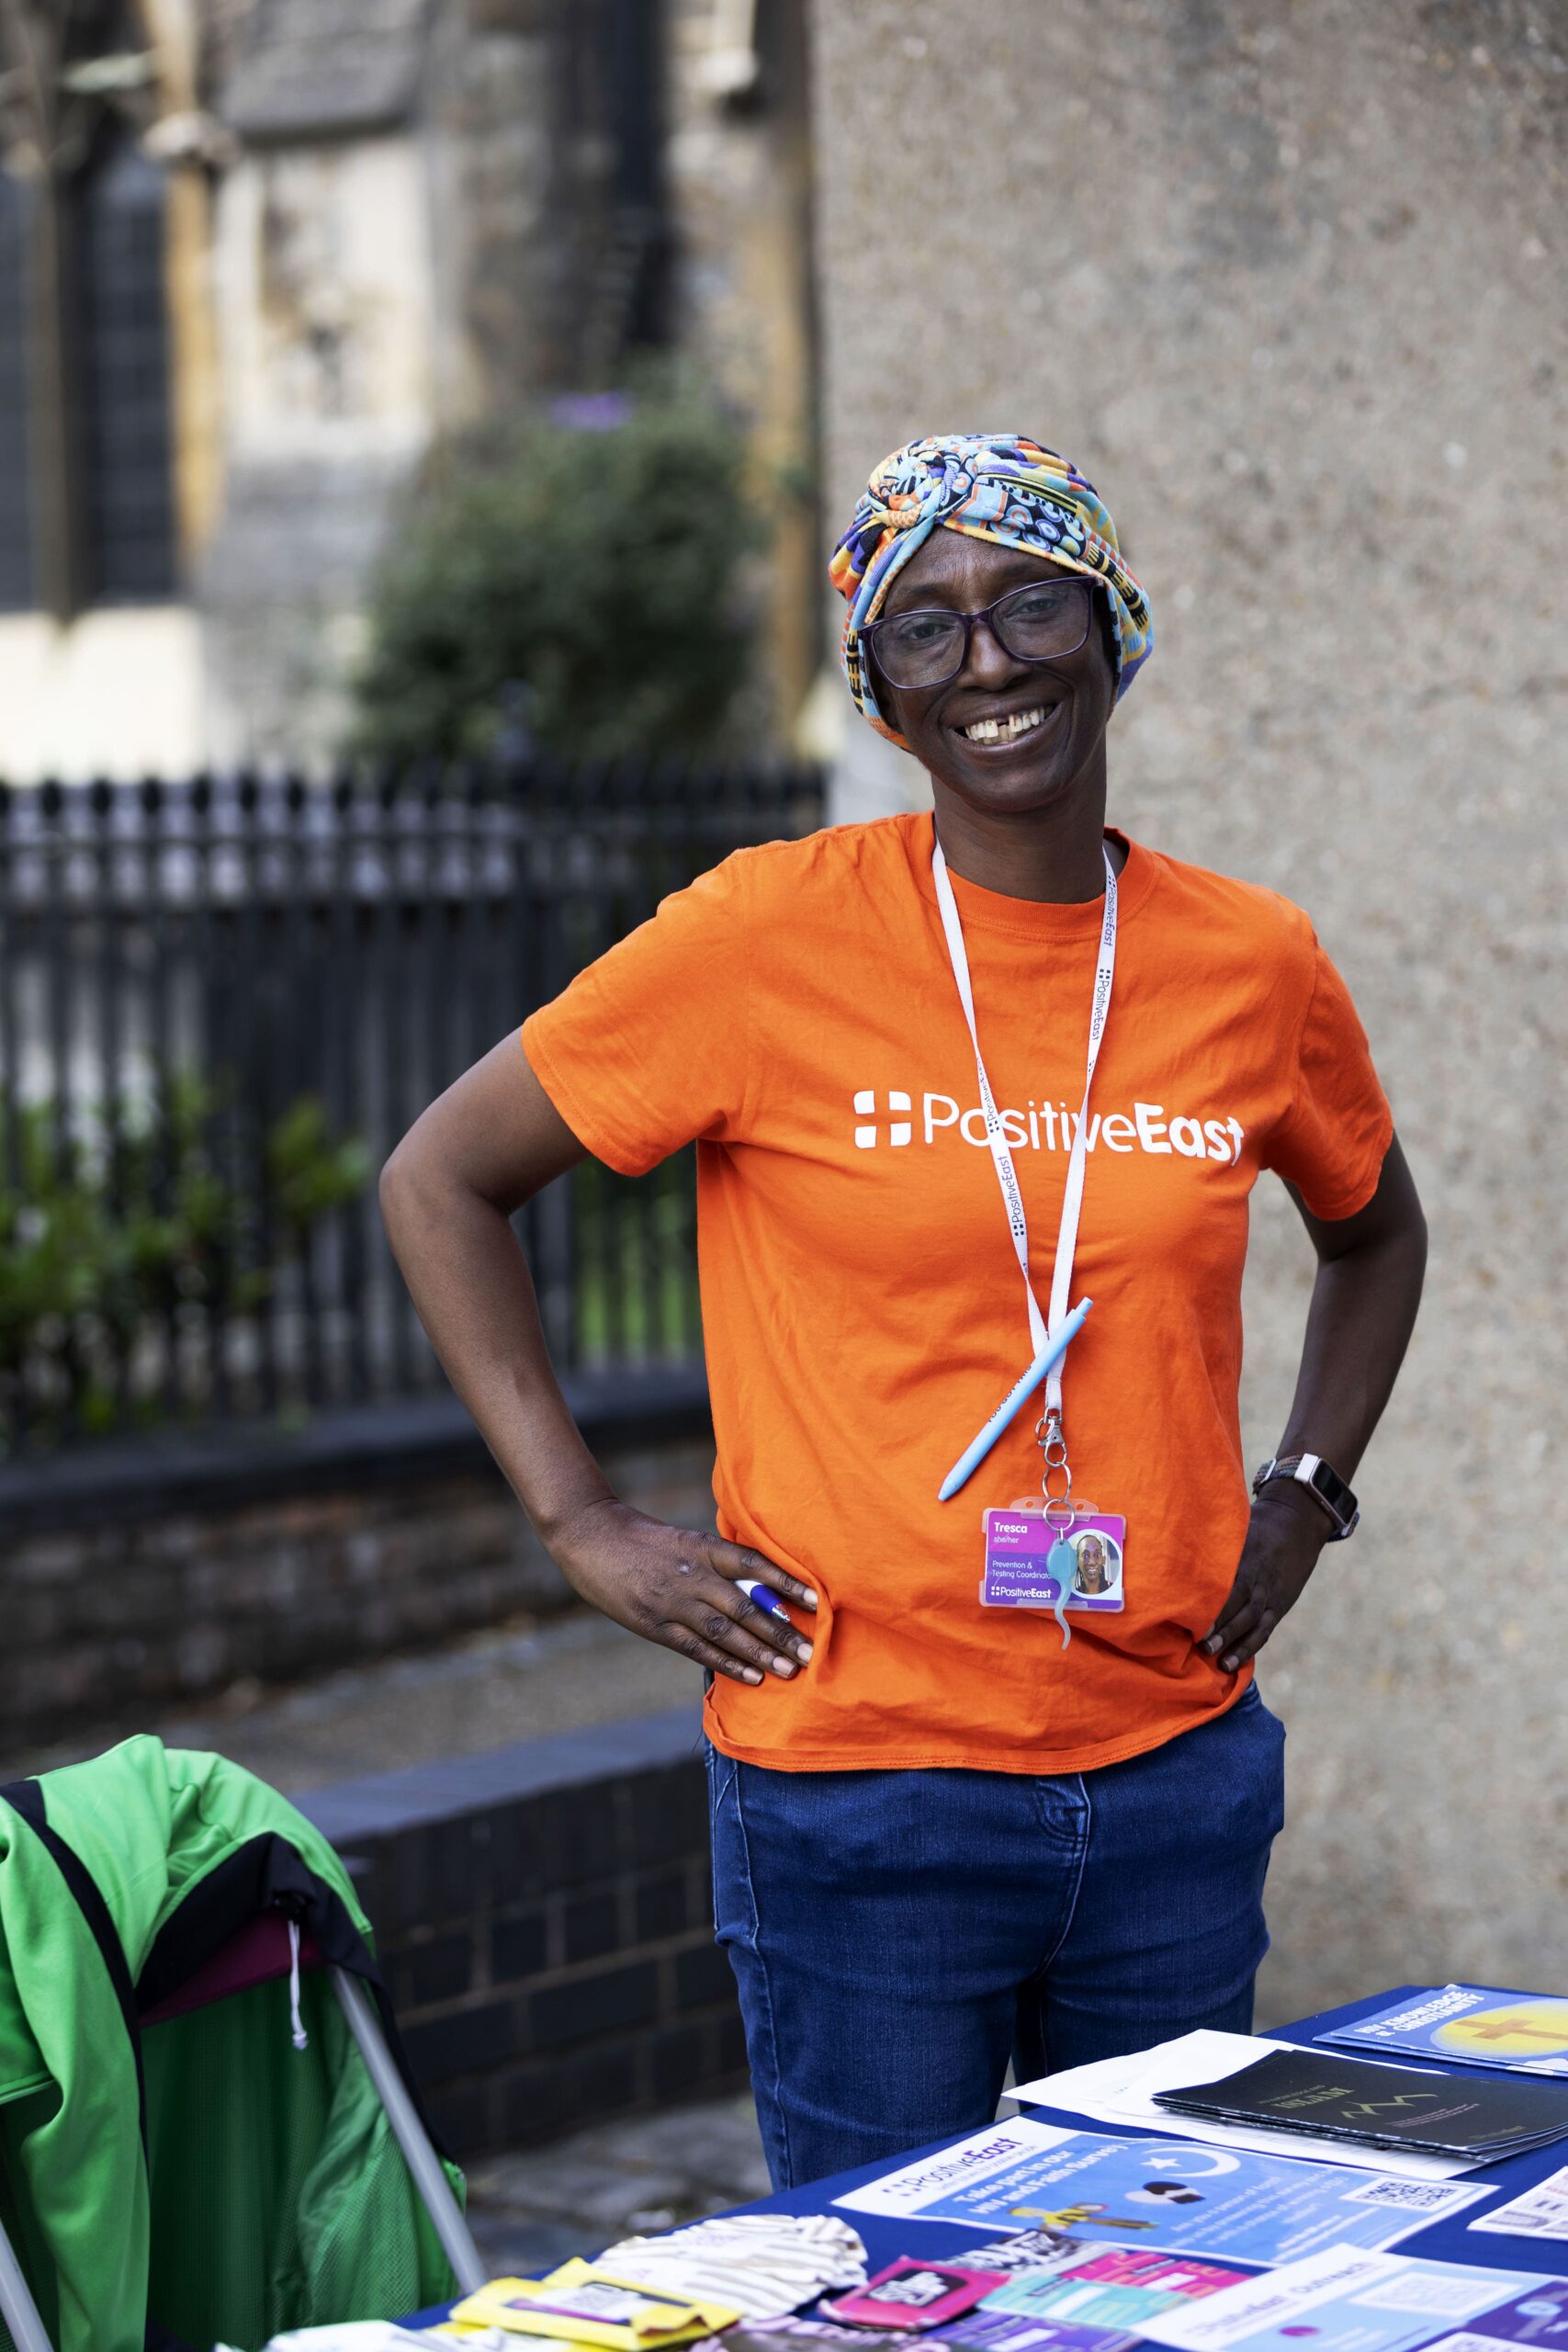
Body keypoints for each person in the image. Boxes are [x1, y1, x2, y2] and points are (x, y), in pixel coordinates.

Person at [379, 431, 1427, 2189]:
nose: (991, 661)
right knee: (889, 2295)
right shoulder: (761, 938)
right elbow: (441, 1177)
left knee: (1167, 2292)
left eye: (1029, 601)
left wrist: (1306, 1492)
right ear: (881, 695)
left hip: (1170, 1773)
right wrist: (578, 1520)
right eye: (922, 630)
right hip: (862, 1792)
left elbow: (1377, 1234)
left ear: (1111, 625)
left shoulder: (1254, 961)